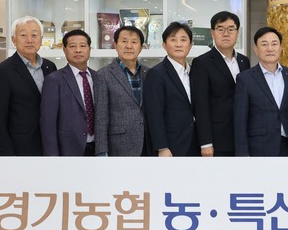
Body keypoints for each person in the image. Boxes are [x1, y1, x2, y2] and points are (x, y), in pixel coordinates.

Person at [0, 16, 58, 156]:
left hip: (49, 145)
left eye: (34, 35)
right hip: (20, 148)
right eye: (23, 35)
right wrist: (7, 155)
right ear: (14, 40)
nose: (29, 40)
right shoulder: (3, 71)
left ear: (41, 39)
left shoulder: (50, 67)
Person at [190, 11, 250, 157]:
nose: (226, 34)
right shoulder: (202, 63)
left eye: (231, 29)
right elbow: (200, 105)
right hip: (217, 140)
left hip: (243, 137)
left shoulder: (244, 61)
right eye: (220, 29)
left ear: (237, 33)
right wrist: (206, 143)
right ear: (212, 33)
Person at [233, 27, 288, 156]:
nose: (270, 48)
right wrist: (242, 155)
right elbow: (240, 121)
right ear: (256, 49)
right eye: (264, 44)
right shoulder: (245, 79)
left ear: (280, 48)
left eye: (274, 44)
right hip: (259, 147)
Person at [145, 22, 200, 156]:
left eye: (183, 40)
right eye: (173, 40)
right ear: (164, 45)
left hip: (196, 143)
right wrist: (162, 147)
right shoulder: (156, 74)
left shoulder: (195, 72)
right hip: (172, 145)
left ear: (190, 45)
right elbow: (154, 114)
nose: (178, 44)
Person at [40, 29, 98, 157]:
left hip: (97, 149)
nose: (78, 50)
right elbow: (48, 123)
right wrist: (52, 157)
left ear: (89, 49)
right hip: (68, 150)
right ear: (64, 50)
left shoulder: (98, 77)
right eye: (72, 46)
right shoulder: (54, 80)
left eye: (82, 46)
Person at [95, 26, 150, 156]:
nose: (129, 46)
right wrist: (101, 151)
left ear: (141, 47)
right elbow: (101, 117)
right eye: (124, 41)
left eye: (134, 42)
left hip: (148, 144)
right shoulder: (103, 75)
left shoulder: (149, 73)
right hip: (119, 144)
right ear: (115, 45)